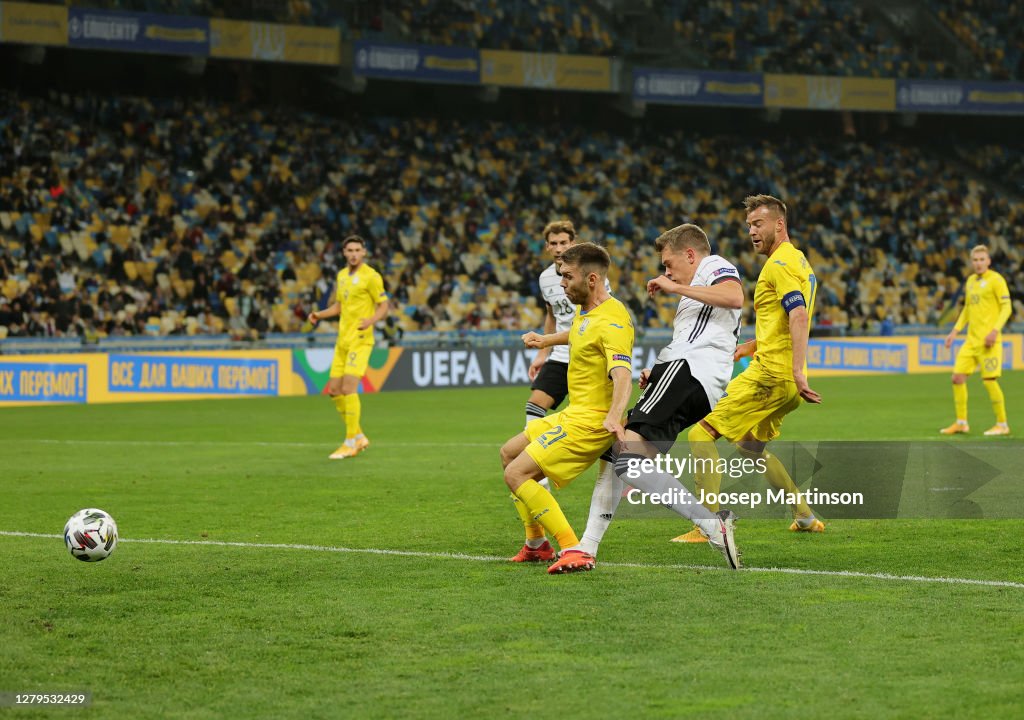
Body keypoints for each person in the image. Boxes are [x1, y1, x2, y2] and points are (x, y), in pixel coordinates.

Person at [575, 223, 744, 566]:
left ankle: (711, 523)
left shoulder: (712, 265)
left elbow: (735, 296)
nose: (665, 272)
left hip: (690, 370)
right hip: (689, 375)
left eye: (669, 264)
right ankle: (587, 548)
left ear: (691, 254)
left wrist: (672, 284)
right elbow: (695, 334)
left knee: (626, 454)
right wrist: (659, 369)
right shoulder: (692, 291)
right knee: (620, 455)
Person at [686, 194, 826, 534]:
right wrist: (748, 346)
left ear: (779, 224)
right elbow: (783, 322)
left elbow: (798, 315)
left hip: (772, 376)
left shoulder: (778, 266)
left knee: (699, 434)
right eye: (749, 225)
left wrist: (796, 369)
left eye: (758, 224)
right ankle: (805, 517)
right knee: (750, 448)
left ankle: (708, 526)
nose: (751, 231)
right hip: (782, 380)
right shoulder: (800, 262)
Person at [500, 242, 633, 575]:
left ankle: (573, 547)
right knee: (508, 453)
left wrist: (614, 417)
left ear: (591, 279)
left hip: (590, 422)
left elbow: (622, 375)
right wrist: (545, 341)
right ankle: (536, 545)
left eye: (567, 277)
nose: (561, 284)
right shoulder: (585, 310)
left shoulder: (614, 320)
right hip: (573, 412)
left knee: (516, 474)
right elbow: (578, 333)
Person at [308, 236, 389, 459]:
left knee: (349, 388)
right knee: (334, 390)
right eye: (349, 250)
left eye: (357, 250)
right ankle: (359, 435)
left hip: (361, 340)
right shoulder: (342, 276)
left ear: (364, 252)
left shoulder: (371, 277)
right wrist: (319, 314)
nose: (353, 254)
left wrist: (371, 321)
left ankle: (350, 441)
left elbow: (384, 305)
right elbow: (339, 306)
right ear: (344, 252)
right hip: (342, 340)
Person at [940, 245, 1012, 436]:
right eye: (975, 260)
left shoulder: (996, 280)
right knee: (957, 378)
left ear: (988, 261)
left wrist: (995, 331)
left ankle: (1002, 424)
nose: (979, 263)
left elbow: (1007, 307)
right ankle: (962, 423)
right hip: (971, 342)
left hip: (989, 341)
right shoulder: (971, 281)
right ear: (971, 263)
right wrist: (954, 331)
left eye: (982, 259)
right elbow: (967, 310)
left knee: (989, 381)